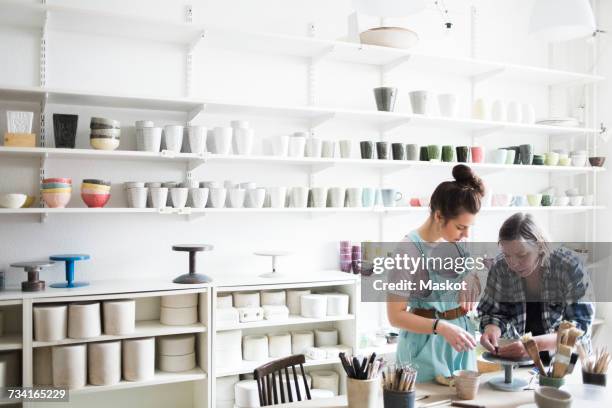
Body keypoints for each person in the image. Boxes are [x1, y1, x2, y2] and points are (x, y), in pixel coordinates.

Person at [386, 164, 485, 382]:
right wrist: (440, 327)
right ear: (439, 216)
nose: (466, 234)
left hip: (460, 341)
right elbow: (395, 316)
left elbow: (473, 273)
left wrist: (471, 278)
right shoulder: (408, 250)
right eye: (460, 227)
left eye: (469, 227)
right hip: (424, 347)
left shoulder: (458, 243)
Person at [478, 212, 595, 361]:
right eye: (507, 255)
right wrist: (491, 330)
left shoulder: (569, 266)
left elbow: (580, 329)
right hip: (522, 360)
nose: (513, 263)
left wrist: (533, 345)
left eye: (522, 255)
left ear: (540, 246)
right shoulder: (500, 267)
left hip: (566, 361)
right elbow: (493, 313)